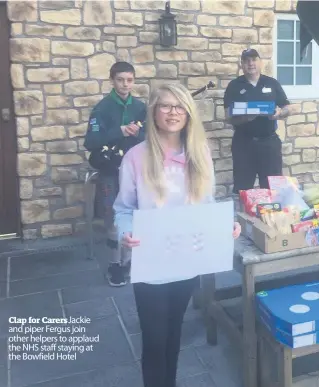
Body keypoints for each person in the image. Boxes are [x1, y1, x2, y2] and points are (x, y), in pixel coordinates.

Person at [113, 83, 242, 387]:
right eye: (165, 106)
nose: (173, 112)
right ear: (153, 111)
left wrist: (225, 225)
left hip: (185, 260)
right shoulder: (135, 157)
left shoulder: (199, 154)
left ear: (188, 113)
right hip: (150, 264)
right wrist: (125, 232)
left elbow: (206, 203)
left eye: (179, 106)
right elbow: (123, 209)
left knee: (173, 333)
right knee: (155, 340)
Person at [84, 61, 146, 287]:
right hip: (110, 170)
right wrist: (118, 131)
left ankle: (128, 262)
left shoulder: (141, 107)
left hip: (136, 170)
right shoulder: (101, 108)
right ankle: (114, 265)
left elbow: (151, 139)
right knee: (111, 219)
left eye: (129, 80)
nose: (125, 85)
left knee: (135, 216)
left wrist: (139, 134)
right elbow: (90, 141)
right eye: (120, 80)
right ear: (112, 80)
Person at [224, 48, 293, 194]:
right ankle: (243, 215)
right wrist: (245, 118)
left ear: (260, 62)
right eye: (246, 61)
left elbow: (288, 107)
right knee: (243, 189)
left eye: (254, 60)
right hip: (243, 144)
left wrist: (280, 113)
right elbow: (228, 117)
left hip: (269, 143)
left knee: (273, 189)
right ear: (242, 64)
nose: (250, 64)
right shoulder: (234, 86)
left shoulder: (272, 83)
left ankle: (271, 216)